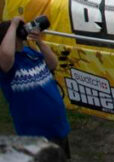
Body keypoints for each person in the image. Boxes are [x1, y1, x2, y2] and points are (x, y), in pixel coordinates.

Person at [0, 17, 70, 159]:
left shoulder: (30, 52)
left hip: (57, 126)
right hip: (34, 134)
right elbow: (6, 54)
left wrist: (39, 41)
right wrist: (13, 24)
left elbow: (53, 64)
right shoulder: (7, 64)